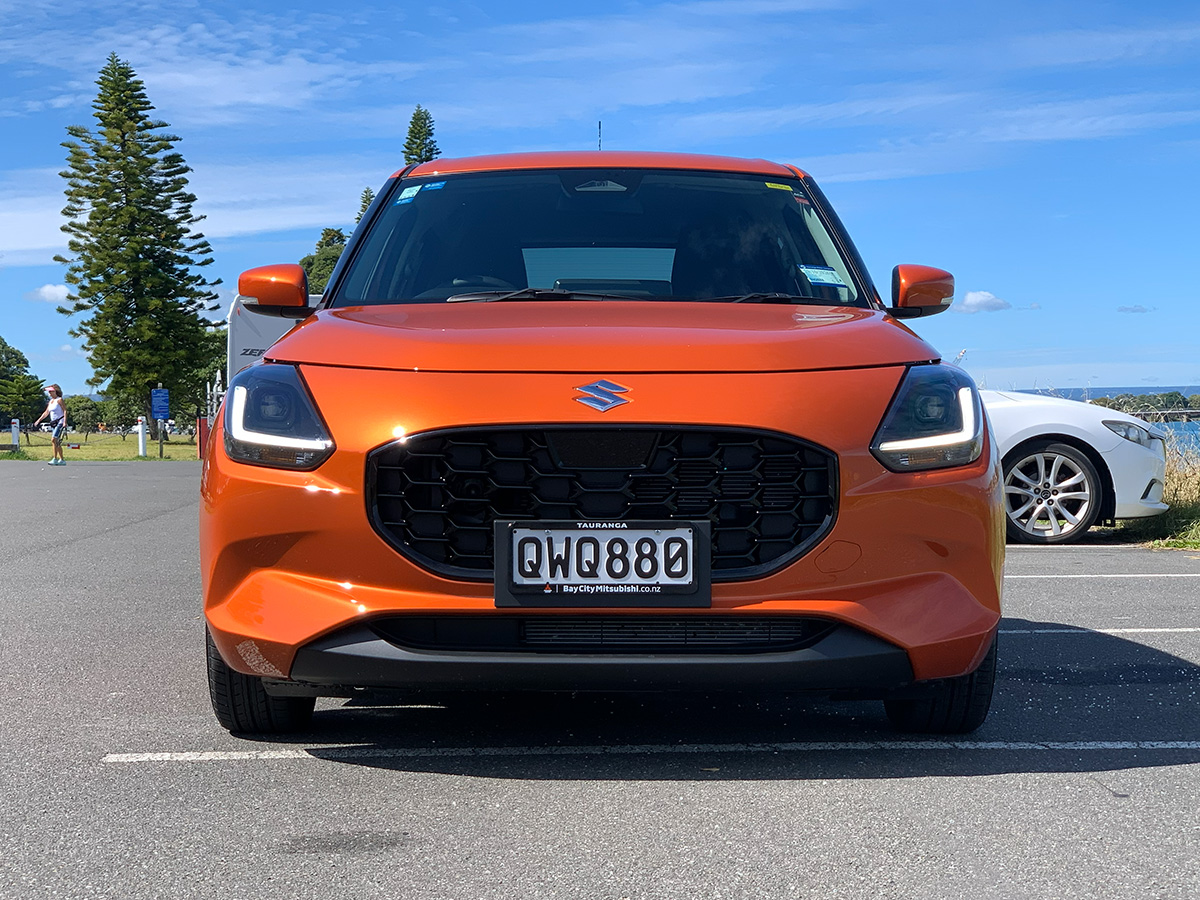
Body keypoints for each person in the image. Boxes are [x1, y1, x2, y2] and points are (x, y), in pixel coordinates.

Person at [32, 384, 68, 466]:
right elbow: (46, 412)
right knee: (56, 441)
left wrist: (64, 422)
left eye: (51, 391)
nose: (50, 393)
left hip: (60, 422)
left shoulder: (59, 400)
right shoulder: (51, 401)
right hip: (54, 423)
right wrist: (38, 420)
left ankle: (55, 458)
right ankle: (62, 459)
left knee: (53, 439)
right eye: (49, 392)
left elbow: (65, 411)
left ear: (55, 391)